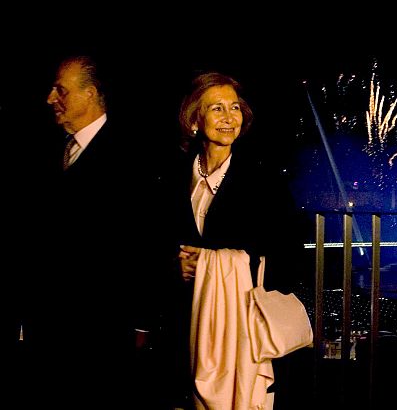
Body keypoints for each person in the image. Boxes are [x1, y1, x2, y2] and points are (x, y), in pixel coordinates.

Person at [154, 71, 309, 409]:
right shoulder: (172, 178)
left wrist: (220, 268)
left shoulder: (263, 181)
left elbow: (291, 256)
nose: (229, 118)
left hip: (242, 333)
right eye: (217, 109)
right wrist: (173, 267)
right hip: (183, 331)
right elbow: (150, 245)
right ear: (195, 119)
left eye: (235, 108)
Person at [20, 55, 157, 407]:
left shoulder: (133, 155)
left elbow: (144, 244)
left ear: (91, 94)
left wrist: (141, 322)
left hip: (103, 335)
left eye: (60, 91)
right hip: (47, 332)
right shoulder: (48, 151)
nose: (50, 98)